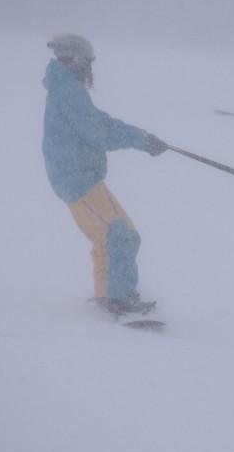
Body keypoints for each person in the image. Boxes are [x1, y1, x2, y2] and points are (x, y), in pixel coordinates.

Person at [42, 33, 168, 315]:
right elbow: (99, 133)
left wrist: (143, 137)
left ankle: (107, 296)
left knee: (109, 237)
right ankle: (118, 300)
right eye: (89, 63)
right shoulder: (69, 92)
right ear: (77, 61)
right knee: (121, 236)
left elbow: (99, 121)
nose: (90, 70)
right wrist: (142, 142)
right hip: (78, 178)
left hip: (75, 177)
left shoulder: (66, 89)